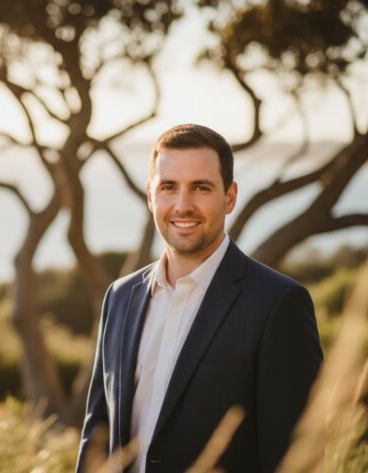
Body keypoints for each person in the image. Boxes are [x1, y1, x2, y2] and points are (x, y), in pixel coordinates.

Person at [75, 124, 323, 473]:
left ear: (230, 197)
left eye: (201, 188)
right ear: (150, 195)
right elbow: (97, 436)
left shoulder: (279, 304)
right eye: (168, 187)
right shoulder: (120, 297)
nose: (182, 205)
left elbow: (299, 460)